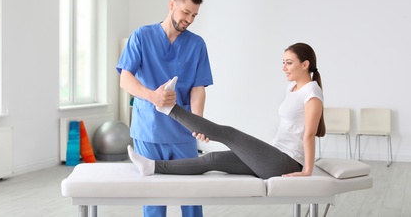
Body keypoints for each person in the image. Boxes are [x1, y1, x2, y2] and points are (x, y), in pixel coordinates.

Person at [128, 43, 325, 180]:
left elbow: (309, 134)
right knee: (212, 159)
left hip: (286, 162)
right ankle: (151, 166)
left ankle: (170, 109)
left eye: (289, 62)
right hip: (275, 155)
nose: (284, 67)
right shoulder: (293, 89)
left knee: (229, 134)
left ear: (305, 64)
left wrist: (307, 170)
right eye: (283, 62)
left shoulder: (312, 92)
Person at [116, 0, 213, 217]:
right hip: (149, 130)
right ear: (172, 5)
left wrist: (197, 122)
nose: (189, 19)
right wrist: (153, 96)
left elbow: (198, 88)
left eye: (194, 15)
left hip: (182, 132)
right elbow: (125, 79)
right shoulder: (142, 36)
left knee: (191, 197)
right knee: (153, 199)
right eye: (186, 12)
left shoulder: (196, 45)